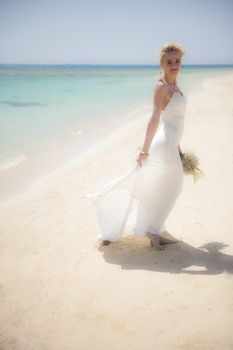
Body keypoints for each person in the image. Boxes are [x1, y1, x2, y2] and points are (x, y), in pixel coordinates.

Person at [85, 43, 187, 251]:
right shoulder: (161, 87)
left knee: (164, 188)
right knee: (171, 187)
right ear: (162, 64)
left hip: (171, 144)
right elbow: (154, 119)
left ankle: (154, 229)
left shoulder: (176, 86)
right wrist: (144, 150)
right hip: (162, 143)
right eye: (169, 62)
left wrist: (178, 146)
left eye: (177, 61)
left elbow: (175, 120)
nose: (174, 65)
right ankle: (152, 230)